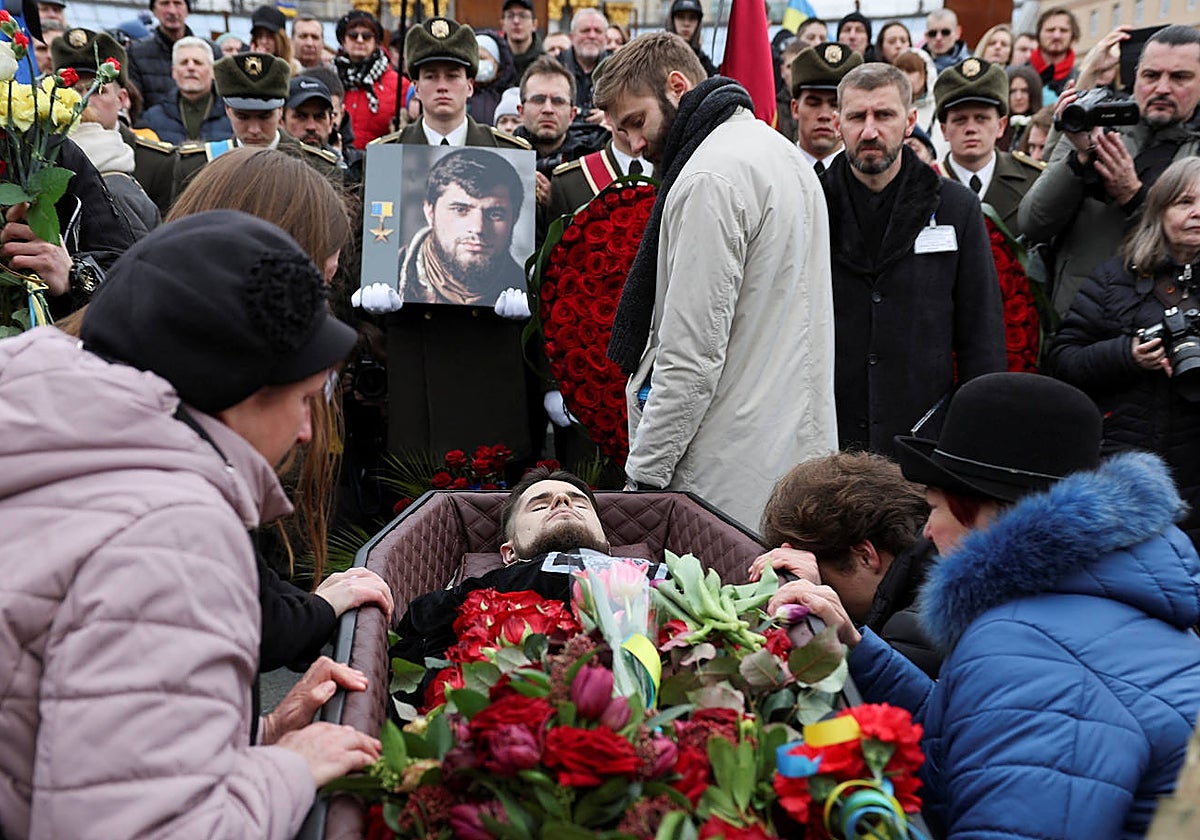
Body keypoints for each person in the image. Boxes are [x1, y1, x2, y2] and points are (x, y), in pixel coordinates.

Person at [0, 210, 384, 840]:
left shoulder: (58, 450)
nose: (308, 431)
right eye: (302, 399)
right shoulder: (172, 535)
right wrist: (286, 769)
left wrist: (246, 738)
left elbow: (73, 741)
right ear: (234, 390)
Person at [770, 371, 1200, 839]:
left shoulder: (1027, 650)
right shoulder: (1094, 599)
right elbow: (977, 726)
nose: (927, 532)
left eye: (935, 508)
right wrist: (857, 648)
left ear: (983, 511)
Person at [595, 31, 838, 527]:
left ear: (678, 86)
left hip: (730, 477)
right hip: (798, 458)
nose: (636, 145)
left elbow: (689, 355)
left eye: (637, 122)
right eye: (622, 132)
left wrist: (643, 480)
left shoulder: (709, 176)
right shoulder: (783, 152)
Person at [822, 62, 1005, 455]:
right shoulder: (809, 204)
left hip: (923, 439)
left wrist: (973, 433)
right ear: (838, 124)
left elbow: (981, 336)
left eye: (884, 115)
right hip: (828, 437)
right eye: (857, 116)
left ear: (909, 121)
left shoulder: (957, 208)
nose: (870, 131)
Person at [1048, 157, 1200, 546]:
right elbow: (1062, 359)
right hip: (1125, 470)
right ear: (1160, 210)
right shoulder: (1114, 278)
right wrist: (1127, 355)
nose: (1196, 213)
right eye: (1184, 202)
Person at [1019, 24, 1200, 316]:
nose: (1162, 88)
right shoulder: (1097, 125)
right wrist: (1079, 160)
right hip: (1074, 322)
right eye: (1151, 76)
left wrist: (1135, 197)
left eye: (1180, 77)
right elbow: (1033, 222)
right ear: (1136, 76)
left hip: (1164, 331)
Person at [388, 468, 612, 700]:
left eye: (580, 503)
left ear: (607, 546)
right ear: (509, 553)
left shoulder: (650, 573)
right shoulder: (468, 600)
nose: (562, 500)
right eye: (539, 506)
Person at [753, 451, 940, 677]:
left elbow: (876, 699)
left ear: (865, 556)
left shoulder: (913, 629)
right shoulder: (944, 553)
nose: (830, 594)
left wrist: (814, 606)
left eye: (828, 582)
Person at [53, 27, 179, 220]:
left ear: (122, 99)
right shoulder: (44, 156)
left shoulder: (158, 162)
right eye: (71, 90)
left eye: (96, 90)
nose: (82, 99)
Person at [175, 52, 341, 191]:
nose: (254, 129)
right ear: (227, 110)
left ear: (280, 111)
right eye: (243, 117)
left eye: (264, 117)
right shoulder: (197, 166)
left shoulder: (320, 167)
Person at [369, 16, 530, 151]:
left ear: (469, 86)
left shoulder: (505, 151)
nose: (442, 86)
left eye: (452, 76)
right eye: (431, 77)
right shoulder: (390, 154)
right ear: (416, 87)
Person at [395, 147, 526, 306]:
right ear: (430, 212)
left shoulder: (530, 290)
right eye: (460, 210)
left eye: (495, 214)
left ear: (515, 218)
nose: (478, 228)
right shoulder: (387, 275)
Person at [933, 58, 1044, 236]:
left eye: (981, 118)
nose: (970, 129)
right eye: (960, 120)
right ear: (944, 130)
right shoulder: (923, 185)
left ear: (1001, 126)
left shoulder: (1032, 180)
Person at [516, 55, 605, 192]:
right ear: (521, 112)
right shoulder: (503, 156)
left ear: (572, 115)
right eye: (538, 100)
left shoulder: (590, 165)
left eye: (558, 101)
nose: (548, 109)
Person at [138, 35, 234, 143]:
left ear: (213, 72)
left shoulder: (233, 115)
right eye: (184, 62)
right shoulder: (152, 118)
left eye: (197, 62)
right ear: (174, 72)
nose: (191, 67)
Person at [129, 0, 217, 110]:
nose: (172, 11)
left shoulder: (210, 51)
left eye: (178, 3)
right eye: (165, 3)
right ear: (154, 11)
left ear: (187, 9)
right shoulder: (136, 53)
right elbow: (134, 106)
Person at [790, 42, 863, 173]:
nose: (824, 115)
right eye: (814, 103)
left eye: (836, 105)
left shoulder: (866, 175)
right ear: (795, 109)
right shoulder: (774, 169)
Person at [334, 10, 401, 148]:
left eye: (366, 36)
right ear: (343, 40)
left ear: (376, 42)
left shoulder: (400, 85)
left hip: (381, 162)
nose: (359, 40)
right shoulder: (330, 78)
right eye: (353, 35)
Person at [558, 8, 610, 122]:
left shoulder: (618, 68)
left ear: (606, 38)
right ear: (571, 37)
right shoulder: (555, 67)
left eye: (598, 31)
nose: (592, 36)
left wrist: (610, 114)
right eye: (585, 31)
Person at [1030, 6, 1080, 99]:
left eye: (1063, 30)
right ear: (1038, 34)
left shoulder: (1079, 80)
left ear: (1073, 36)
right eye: (1050, 30)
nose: (1057, 36)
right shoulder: (1019, 76)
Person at [469, 31, 518, 127]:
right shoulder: (463, 94)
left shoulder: (508, 95)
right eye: (474, 59)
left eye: (482, 58)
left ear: (497, 63)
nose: (478, 64)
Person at [666, 0, 716, 77]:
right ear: (672, 20)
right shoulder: (658, 56)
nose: (686, 23)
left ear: (698, 23)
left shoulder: (703, 62)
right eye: (680, 17)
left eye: (692, 18)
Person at [1002, 64, 1043, 150]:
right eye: (1013, 91)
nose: (1018, 97)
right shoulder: (997, 128)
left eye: (1024, 91)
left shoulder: (1044, 127)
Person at [501, 0, 544, 79]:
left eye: (523, 16)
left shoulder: (546, 65)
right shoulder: (496, 63)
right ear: (503, 24)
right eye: (510, 16)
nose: (516, 21)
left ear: (534, 24)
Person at [922, 8, 970, 72]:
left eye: (945, 32)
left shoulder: (971, 67)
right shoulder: (914, 64)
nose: (938, 38)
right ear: (926, 36)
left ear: (957, 32)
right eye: (932, 33)